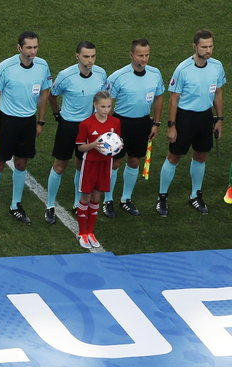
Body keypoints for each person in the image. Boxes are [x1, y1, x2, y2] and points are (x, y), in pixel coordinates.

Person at [0, 31, 52, 227]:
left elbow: (45, 94)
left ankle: (15, 205)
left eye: (35, 47)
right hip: (7, 122)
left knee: (21, 164)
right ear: (19, 48)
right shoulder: (6, 67)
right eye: (28, 47)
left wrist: (41, 121)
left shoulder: (42, 66)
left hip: (28, 122)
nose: (32, 51)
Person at [157, 29, 225, 216]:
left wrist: (219, 119)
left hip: (205, 117)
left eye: (211, 46)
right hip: (185, 118)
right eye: (204, 46)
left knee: (201, 155)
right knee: (174, 156)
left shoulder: (217, 66)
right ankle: (162, 197)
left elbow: (218, 92)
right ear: (195, 46)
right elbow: (174, 99)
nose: (208, 50)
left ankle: (196, 195)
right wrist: (172, 125)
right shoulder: (183, 69)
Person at [45, 42, 107, 224]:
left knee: (82, 166)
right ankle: (49, 205)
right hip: (68, 127)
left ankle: (77, 203)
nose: (90, 60)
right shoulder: (66, 75)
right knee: (60, 165)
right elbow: (51, 95)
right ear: (77, 56)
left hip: (88, 128)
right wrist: (58, 115)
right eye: (86, 56)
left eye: (93, 56)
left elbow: (103, 98)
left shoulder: (101, 74)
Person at [106, 39, 165, 216]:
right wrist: (108, 127)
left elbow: (159, 97)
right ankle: (108, 200)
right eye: (140, 55)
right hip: (120, 123)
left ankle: (126, 199)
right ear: (131, 55)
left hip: (143, 123)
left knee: (134, 160)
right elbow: (107, 102)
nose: (144, 59)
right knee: (115, 162)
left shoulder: (155, 74)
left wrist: (156, 123)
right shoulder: (118, 77)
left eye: (147, 55)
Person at [76, 92, 122, 248]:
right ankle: (82, 233)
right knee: (86, 197)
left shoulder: (115, 122)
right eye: (103, 106)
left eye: (109, 106)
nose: (106, 110)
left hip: (105, 164)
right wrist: (94, 145)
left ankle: (91, 232)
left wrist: (118, 146)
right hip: (90, 164)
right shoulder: (86, 124)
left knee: (97, 197)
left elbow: (118, 142)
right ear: (95, 105)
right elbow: (81, 147)